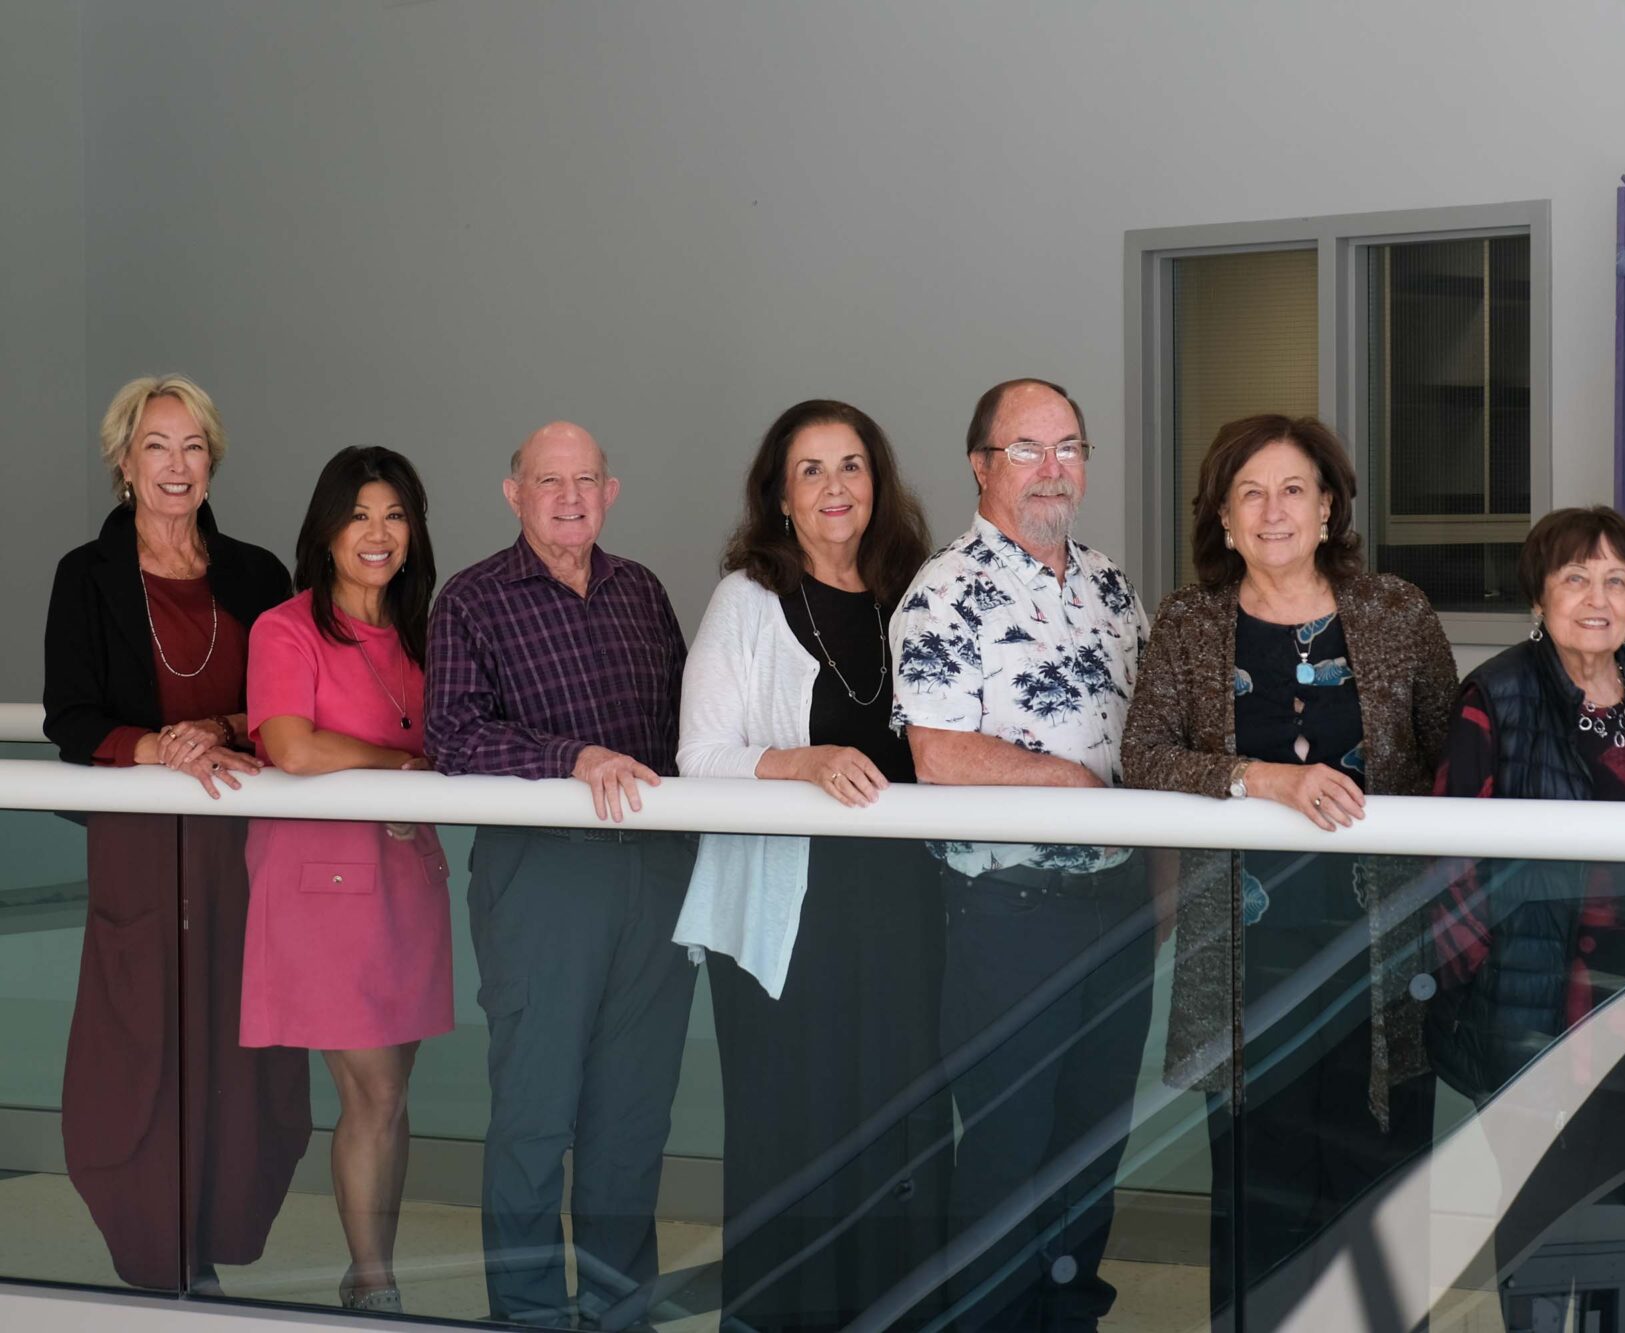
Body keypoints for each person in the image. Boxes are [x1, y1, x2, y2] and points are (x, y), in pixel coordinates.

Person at [1121, 414, 1458, 1327]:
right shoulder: (1191, 622)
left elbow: (1448, 758)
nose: (1274, 510)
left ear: (1329, 507)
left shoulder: (1397, 611)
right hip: (1245, 956)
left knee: (1377, 1194)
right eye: (1250, 492)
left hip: (1381, 955)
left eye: (1294, 489)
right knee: (1260, 1201)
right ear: (1224, 520)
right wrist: (1257, 777)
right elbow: (1144, 755)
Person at [675, 399, 947, 1331]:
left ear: (879, 483)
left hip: (907, 907)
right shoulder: (746, 600)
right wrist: (805, 762)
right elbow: (700, 757)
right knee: (796, 1131)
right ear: (780, 498)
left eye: (852, 466)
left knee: (899, 1120)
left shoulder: (917, 595)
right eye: (812, 470)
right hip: (788, 919)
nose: (836, 487)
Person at [888, 378, 1151, 1332]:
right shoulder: (943, 589)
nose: (1054, 468)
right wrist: (1070, 787)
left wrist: (1154, 883)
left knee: (1094, 1144)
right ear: (981, 464)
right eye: (1028, 449)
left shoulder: (1112, 585)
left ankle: (1069, 1320)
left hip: (1117, 906)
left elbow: (1148, 743)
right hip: (1009, 915)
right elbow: (937, 751)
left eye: (1069, 446)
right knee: (1005, 1151)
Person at [424, 421, 698, 1330]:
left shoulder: (642, 592)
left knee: (631, 1126)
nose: (570, 496)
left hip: (655, 877)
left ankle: (621, 1315)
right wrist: (572, 756)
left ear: (610, 492)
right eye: (550, 480)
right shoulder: (471, 600)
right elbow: (453, 738)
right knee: (536, 1119)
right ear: (515, 494)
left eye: (586, 479)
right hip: (542, 880)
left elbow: (686, 735)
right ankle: (532, 1317)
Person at [41, 374, 310, 1291]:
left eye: (192, 446)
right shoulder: (86, 576)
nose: (176, 464)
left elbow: (291, 706)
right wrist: (161, 746)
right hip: (141, 849)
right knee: (138, 1043)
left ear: (212, 461)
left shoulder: (258, 574)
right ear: (124, 462)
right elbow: (70, 717)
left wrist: (221, 732)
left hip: (245, 854)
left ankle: (216, 1251)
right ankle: (152, 1259)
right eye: (156, 445)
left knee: (240, 1051)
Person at [1427, 506, 1625, 1332]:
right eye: (1575, 577)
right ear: (1539, 595)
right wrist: (1477, 983)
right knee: (1540, 1239)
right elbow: (1450, 859)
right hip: (1537, 1017)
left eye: (1615, 579)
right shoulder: (1497, 694)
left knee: (1623, 1232)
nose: (1597, 596)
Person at [241, 446, 451, 1314]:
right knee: (376, 1090)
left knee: (391, 1100)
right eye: (358, 515)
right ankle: (376, 1281)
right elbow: (291, 746)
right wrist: (400, 765)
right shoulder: (285, 628)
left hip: (405, 879)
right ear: (326, 531)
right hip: (319, 888)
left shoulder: (422, 634)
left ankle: (372, 1273)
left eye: (395, 515)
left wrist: (413, 770)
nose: (377, 533)